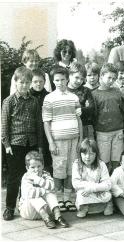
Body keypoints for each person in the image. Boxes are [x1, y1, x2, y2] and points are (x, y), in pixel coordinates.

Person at [2, 67, 43, 220]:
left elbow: (39, 125)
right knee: (14, 177)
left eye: (27, 82)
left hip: (31, 143)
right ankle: (9, 207)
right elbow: (4, 126)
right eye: (21, 82)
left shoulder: (34, 102)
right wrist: (6, 145)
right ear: (16, 82)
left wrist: (39, 146)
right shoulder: (9, 102)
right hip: (15, 145)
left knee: (31, 176)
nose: (24, 86)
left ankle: (25, 204)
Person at [42, 66, 83, 213]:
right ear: (53, 81)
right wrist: (51, 142)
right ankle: (58, 200)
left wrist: (80, 140)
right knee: (59, 171)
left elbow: (79, 120)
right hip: (58, 141)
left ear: (67, 80)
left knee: (71, 170)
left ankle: (68, 199)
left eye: (63, 79)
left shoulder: (74, 97)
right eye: (57, 80)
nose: (60, 82)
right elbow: (46, 122)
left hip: (74, 139)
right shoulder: (49, 98)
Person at [92, 63, 124, 174]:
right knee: (104, 162)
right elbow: (94, 115)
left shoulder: (118, 92)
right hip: (103, 133)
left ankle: (116, 184)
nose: (111, 81)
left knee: (117, 161)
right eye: (109, 78)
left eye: (113, 78)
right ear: (101, 76)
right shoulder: (94, 94)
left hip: (118, 132)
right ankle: (105, 184)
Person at [19, 151, 69, 228]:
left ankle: (58, 216)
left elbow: (52, 186)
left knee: (50, 194)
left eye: (39, 166)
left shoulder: (46, 174)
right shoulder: (26, 177)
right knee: (35, 195)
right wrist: (44, 190)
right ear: (27, 168)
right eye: (32, 167)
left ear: (43, 165)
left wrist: (38, 179)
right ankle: (46, 218)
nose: (36, 169)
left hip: (46, 209)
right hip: (29, 211)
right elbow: (30, 193)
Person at [71, 139, 113, 218]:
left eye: (91, 154)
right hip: (85, 191)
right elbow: (75, 184)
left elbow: (107, 184)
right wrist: (89, 187)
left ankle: (107, 204)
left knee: (108, 195)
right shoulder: (76, 164)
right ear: (80, 154)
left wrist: (93, 188)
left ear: (96, 154)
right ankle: (85, 207)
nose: (87, 157)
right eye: (84, 153)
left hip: (98, 191)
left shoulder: (101, 164)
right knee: (80, 195)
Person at [29, 70, 52, 175]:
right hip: (32, 132)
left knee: (46, 158)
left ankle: (47, 180)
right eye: (35, 81)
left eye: (41, 81)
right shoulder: (27, 95)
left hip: (46, 130)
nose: (38, 84)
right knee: (33, 158)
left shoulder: (49, 96)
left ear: (44, 81)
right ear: (31, 82)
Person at [67, 62, 95, 139]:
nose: (79, 81)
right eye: (77, 77)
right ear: (70, 75)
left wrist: (81, 109)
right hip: (68, 128)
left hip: (84, 126)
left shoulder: (86, 91)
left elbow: (92, 108)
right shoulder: (63, 91)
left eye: (82, 79)